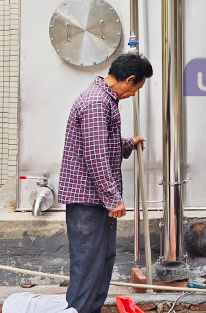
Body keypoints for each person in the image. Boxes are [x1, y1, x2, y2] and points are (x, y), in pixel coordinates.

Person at [58, 52, 153, 313]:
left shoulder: (105, 99)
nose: (133, 94)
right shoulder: (96, 102)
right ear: (129, 79)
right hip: (88, 200)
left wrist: (127, 144)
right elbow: (95, 156)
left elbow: (101, 144)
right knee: (88, 265)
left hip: (95, 199)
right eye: (137, 88)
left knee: (101, 262)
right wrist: (113, 198)